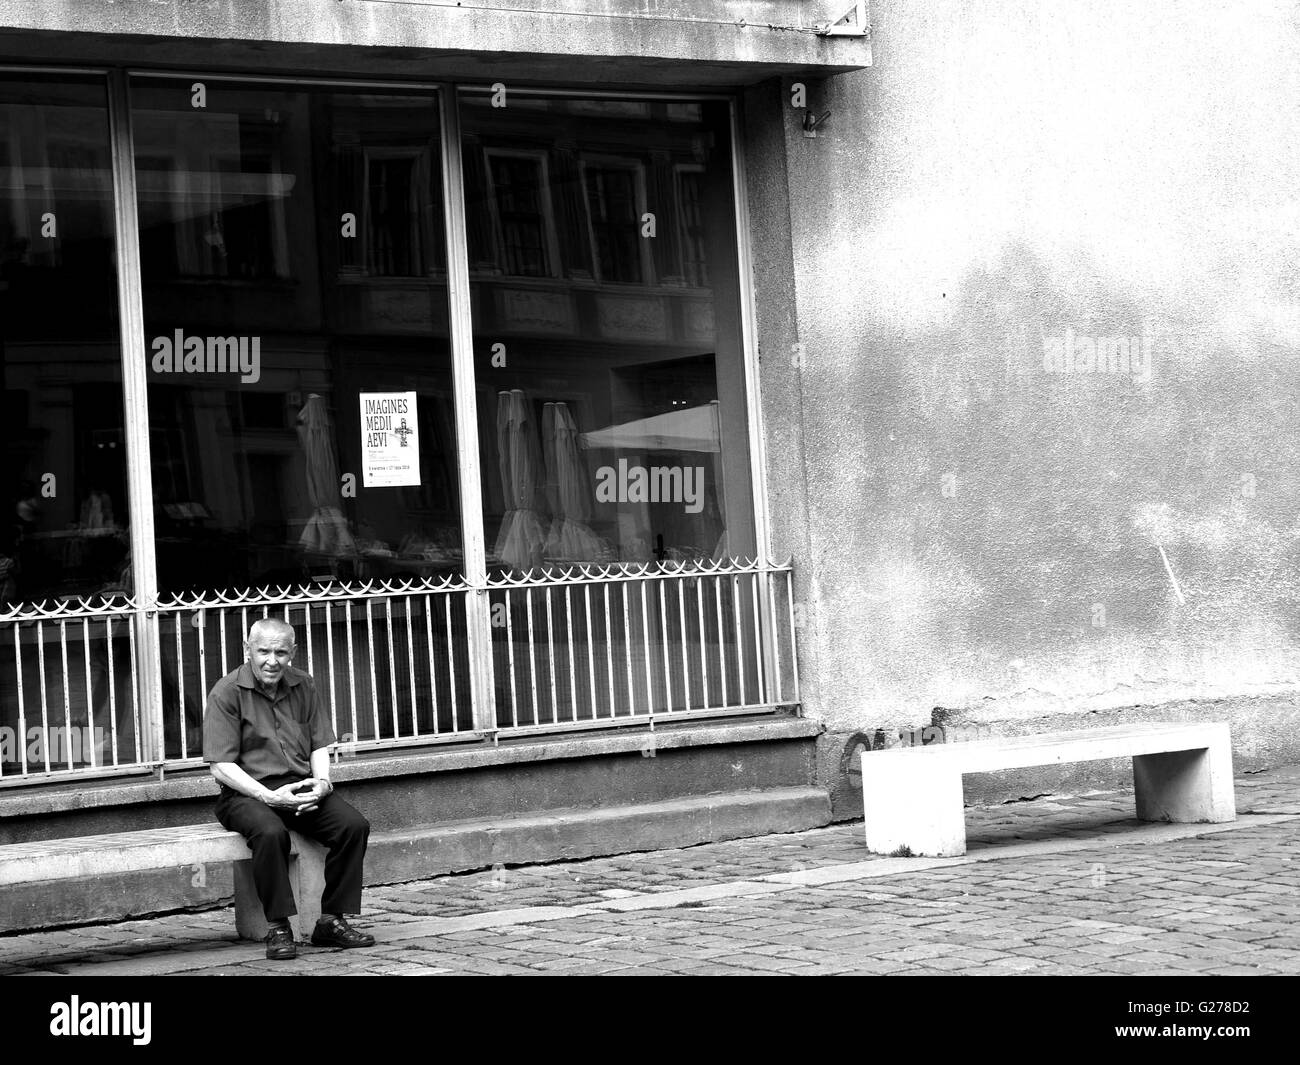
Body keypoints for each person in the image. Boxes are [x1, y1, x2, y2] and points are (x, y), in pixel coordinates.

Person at [202, 617, 374, 960]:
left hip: (297, 787)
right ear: (248, 650)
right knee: (270, 833)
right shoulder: (227, 691)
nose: (272, 660)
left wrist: (323, 784)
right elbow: (220, 765)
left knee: (353, 827)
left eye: (280, 652)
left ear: (292, 652)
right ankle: (278, 927)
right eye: (263, 651)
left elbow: (319, 744)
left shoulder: (303, 684)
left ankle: (331, 920)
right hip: (245, 793)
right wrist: (267, 797)